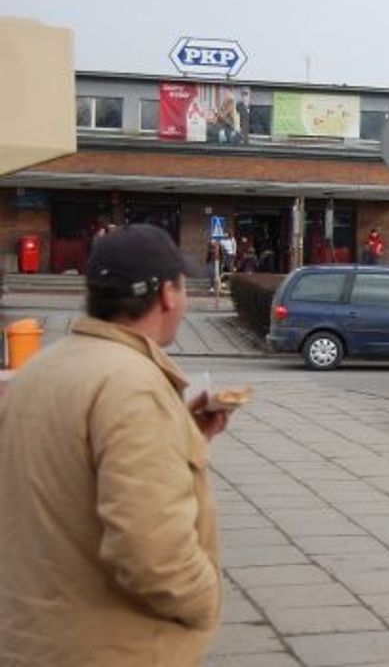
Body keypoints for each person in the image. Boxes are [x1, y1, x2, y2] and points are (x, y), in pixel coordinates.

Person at [0, 224, 237, 665]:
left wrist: (182, 434)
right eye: (183, 288)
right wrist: (206, 602)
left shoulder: (42, 368)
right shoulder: (134, 386)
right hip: (112, 648)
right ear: (167, 295)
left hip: (35, 638)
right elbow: (151, 550)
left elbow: (64, 472)